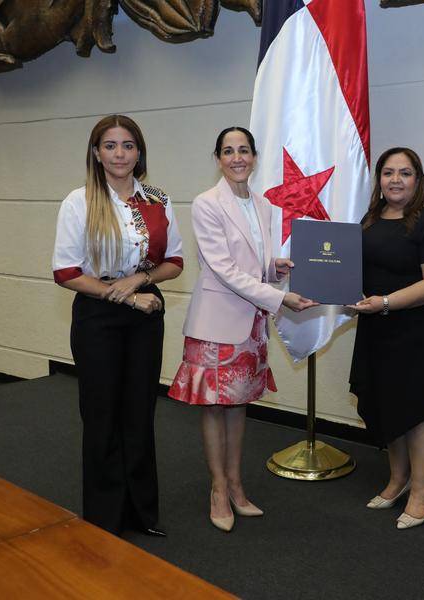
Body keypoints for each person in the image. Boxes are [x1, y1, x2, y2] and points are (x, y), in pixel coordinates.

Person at [168, 126, 316, 533]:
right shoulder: (207, 203)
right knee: (214, 407)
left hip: (250, 322)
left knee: (239, 404)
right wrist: (279, 297)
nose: (237, 158)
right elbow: (223, 268)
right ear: (218, 158)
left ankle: (236, 485)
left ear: (254, 157)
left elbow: (252, 265)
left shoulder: (264, 204)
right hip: (216, 323)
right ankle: (218, 488)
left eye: (244, 150)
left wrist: (274, 268)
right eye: (229, 151)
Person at [52, 114, 183, 536]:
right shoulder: (79, 201)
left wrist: (138, 282)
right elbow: (66, 273)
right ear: (96, 153)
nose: (120, 154)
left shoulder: (158, 199)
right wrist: (124, 294)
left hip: (146, 311)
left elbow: (174, 262)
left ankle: (142, 514)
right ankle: (105, 518)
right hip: (98, 315)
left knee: (140, 412)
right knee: (102, 414)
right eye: (110, 145)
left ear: (139, 152)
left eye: (128, 145)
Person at [349, 147, 424, 530]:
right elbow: (354, 270)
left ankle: (423, 488)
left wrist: (385, 302)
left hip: (418, 330)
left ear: (418, 180)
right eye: (388, 172)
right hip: (377, 328)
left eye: (405, 173)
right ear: (379, 179)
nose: (395, 180)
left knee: (417, 408)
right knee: (386, 404)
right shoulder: (369, 219)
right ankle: (398, 479)